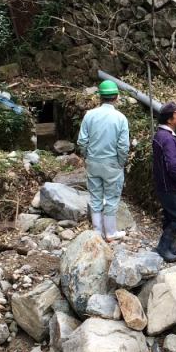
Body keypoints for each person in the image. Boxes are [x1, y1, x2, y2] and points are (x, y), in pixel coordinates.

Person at [76, 80, 130, 242]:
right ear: (117, 97)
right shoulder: (120, 118)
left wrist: (86, 156)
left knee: (95, 197)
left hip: (93, 162)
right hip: (113, 163)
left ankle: (97, 232)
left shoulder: (89, 115)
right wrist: (121, 162)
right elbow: (123, 145)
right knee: (112, 198)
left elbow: (82, 141)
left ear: (100, 96)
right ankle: (111, 233)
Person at [151, 101, 176, 263]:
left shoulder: (162, 135)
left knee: (170, 217)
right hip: (171, 186)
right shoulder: (166, 138)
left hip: (165, 185)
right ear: (169, 119)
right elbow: (173, 164)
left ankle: (170, 247)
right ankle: (162, 247)